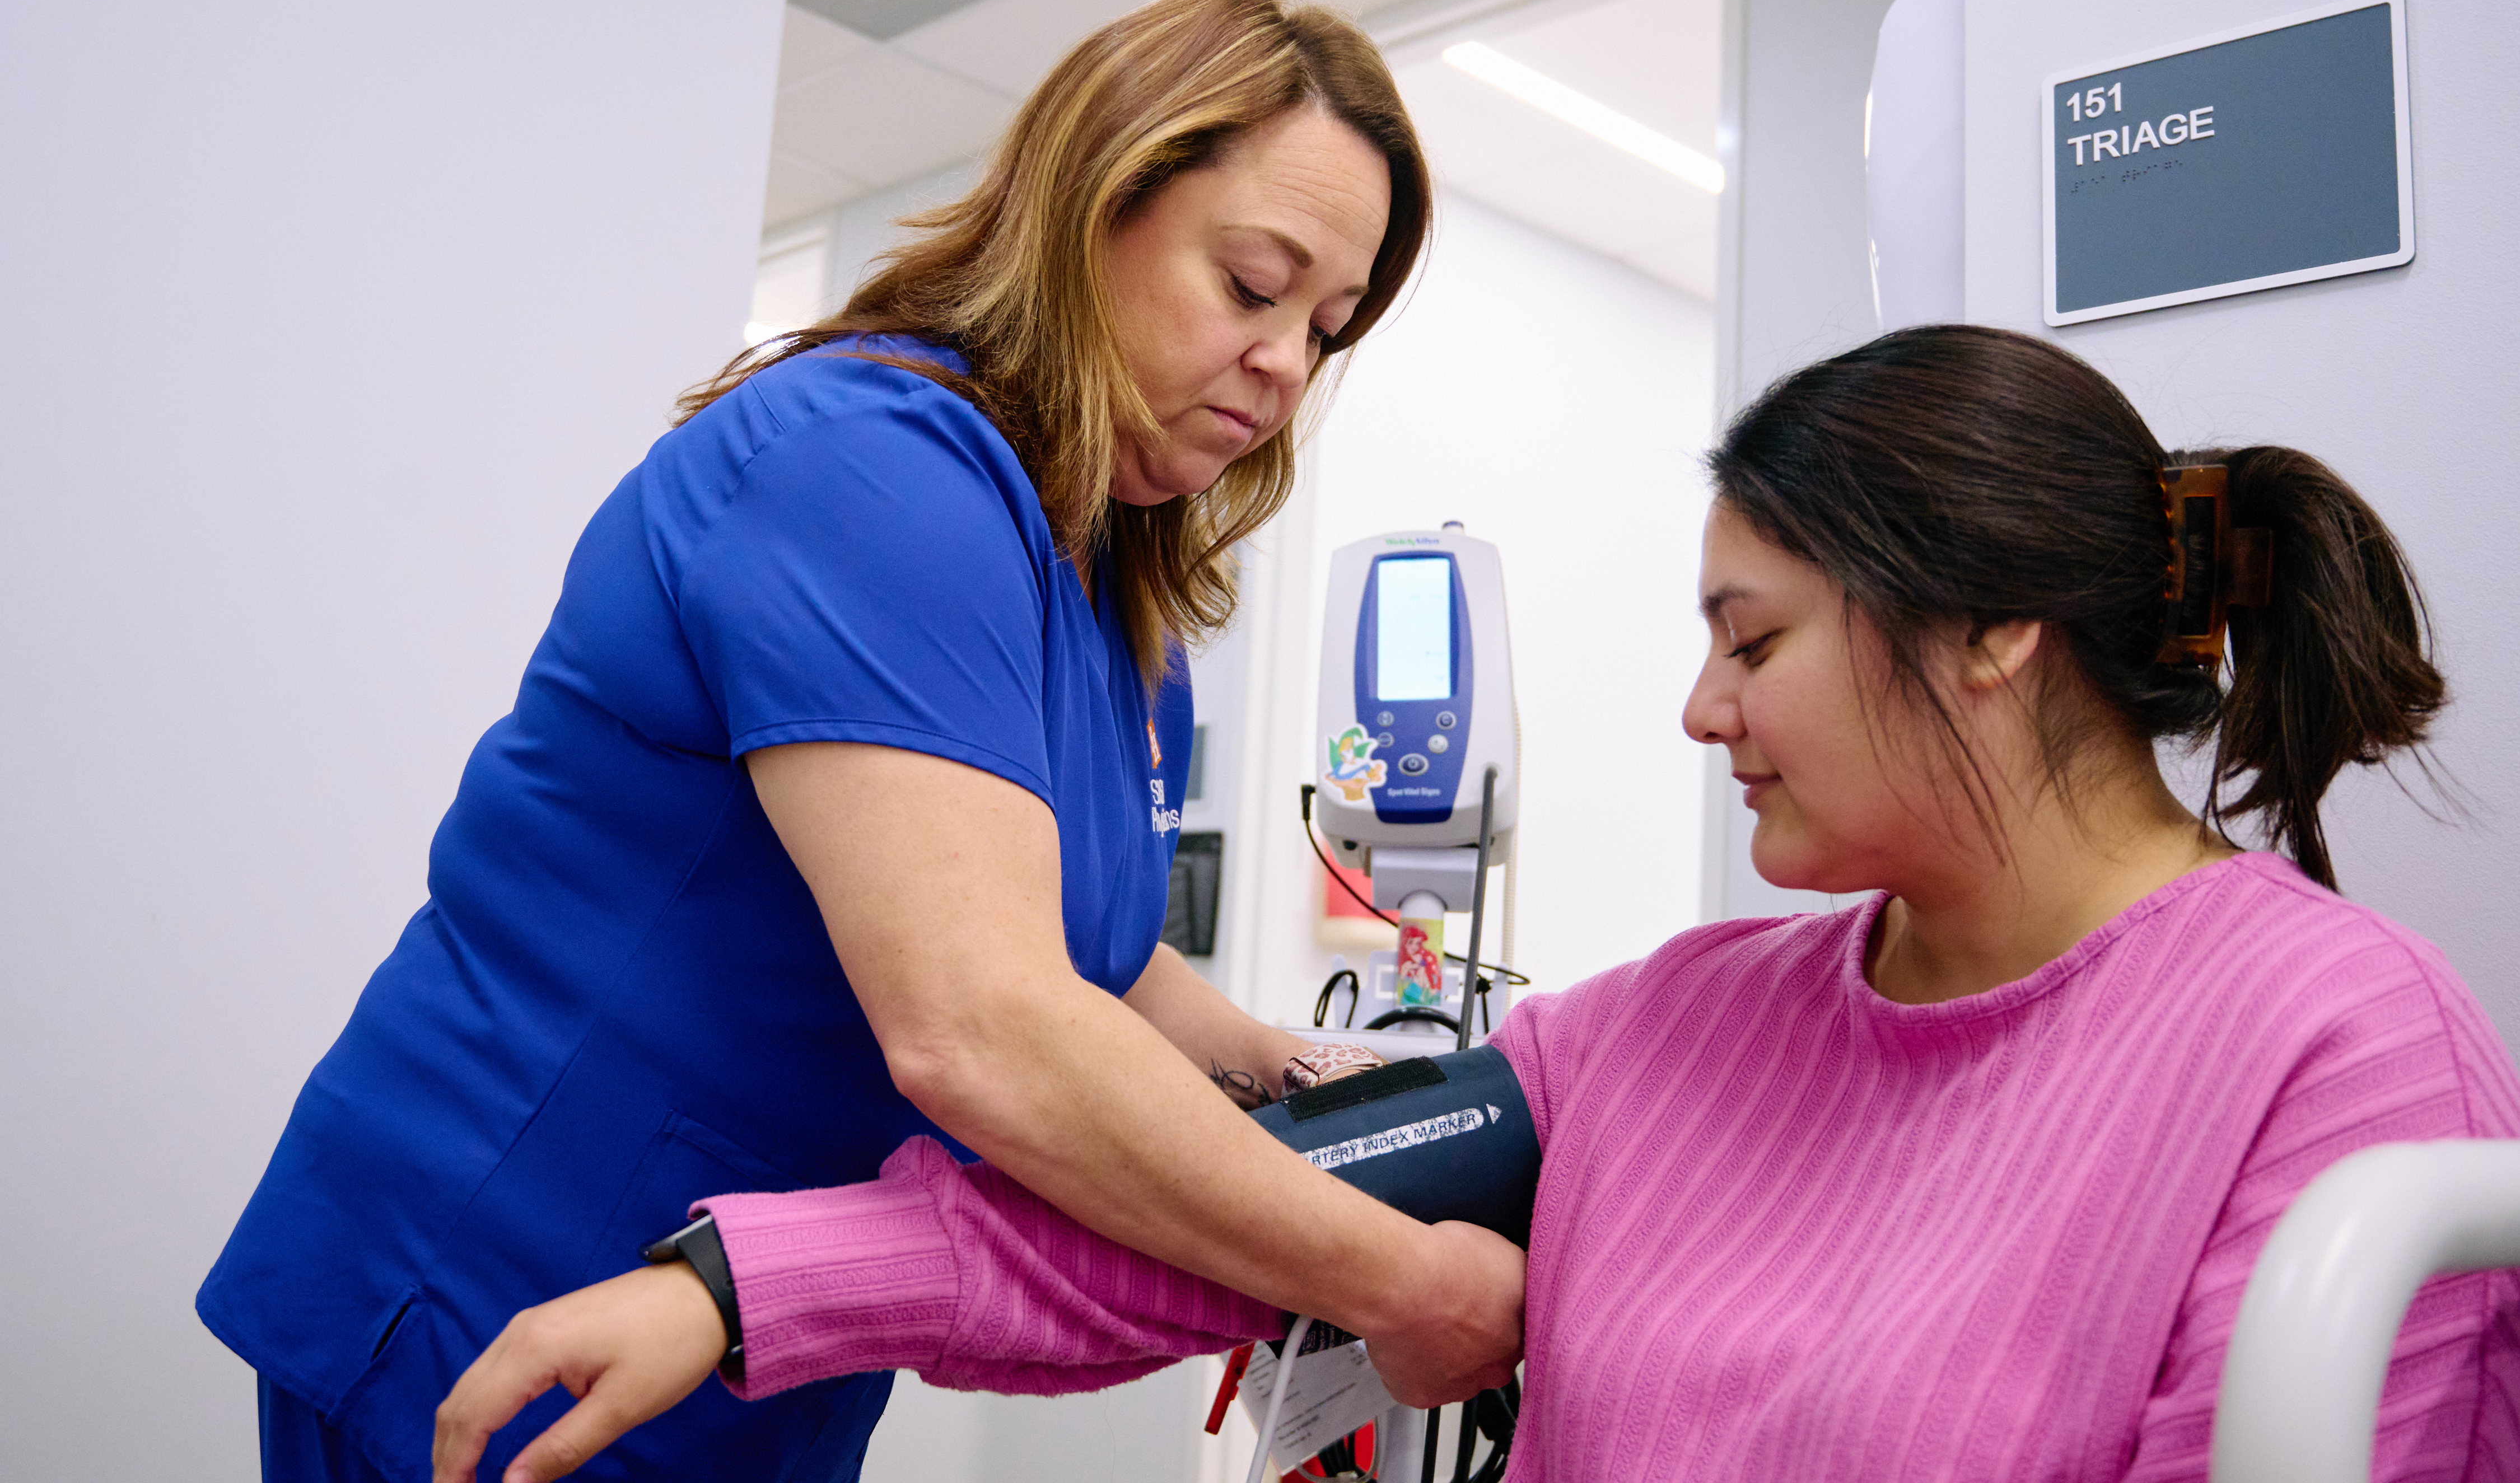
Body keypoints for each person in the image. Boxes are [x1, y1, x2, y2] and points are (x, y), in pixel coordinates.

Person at [434, 326, 2520, 1482]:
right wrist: (735, 1289)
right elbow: (1204, 1224)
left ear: (1989, 631)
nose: (1698, 711)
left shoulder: (2337, 1054)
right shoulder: (1664, 1031)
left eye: (1752, 639)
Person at [198, 0, 1525, 1483]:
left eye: (1326, 325)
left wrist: (1285, 1071)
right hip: (511, 1272)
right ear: (1094, 207)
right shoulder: (869, 469)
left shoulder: (1105, 587)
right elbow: (982, 1024)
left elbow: (1067, 935)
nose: (1286, 362)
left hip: (758, 1314)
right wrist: (1395, 1282)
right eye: (1250, 286)